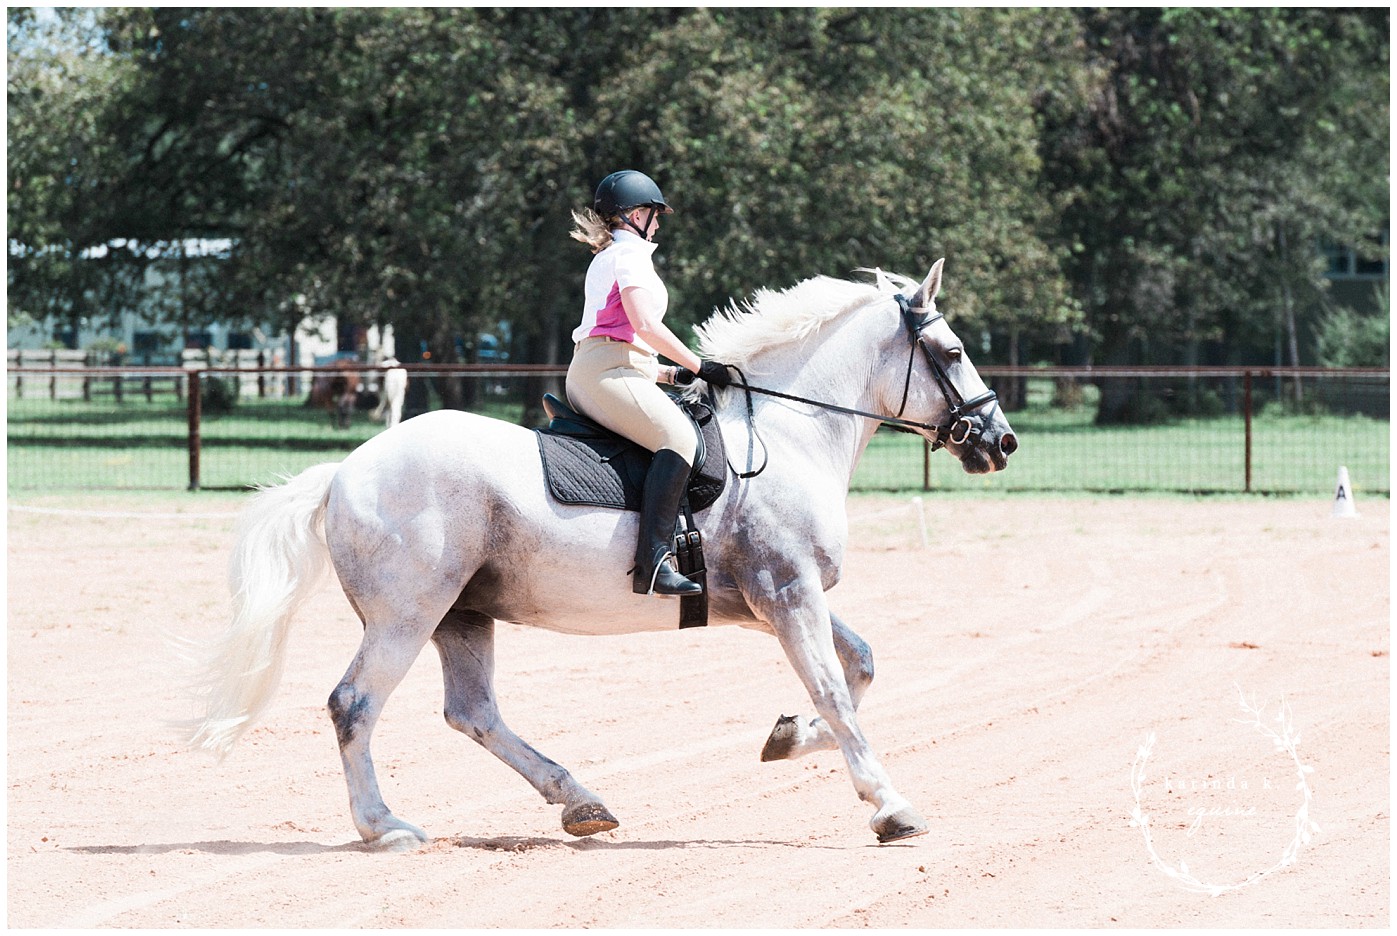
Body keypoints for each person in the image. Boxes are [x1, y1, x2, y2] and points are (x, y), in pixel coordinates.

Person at [567, 169, 732, 598]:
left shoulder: (611, 257)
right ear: (636, 214)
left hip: (609, 369)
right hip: (604, 373)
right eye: (655, 215)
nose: (657, 225)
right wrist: (699, 365)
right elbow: (644, 324)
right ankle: (654, 562)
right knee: (679, 438)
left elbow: (618, 339)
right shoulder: (630, 255)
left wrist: (667, 373)